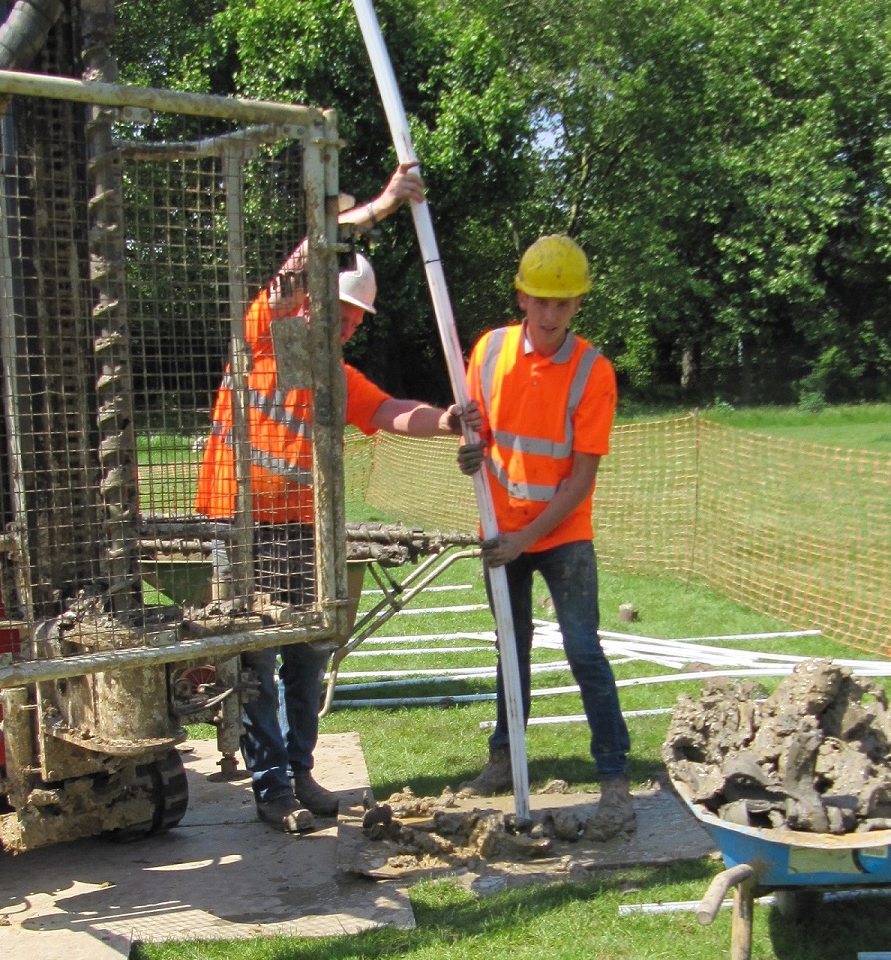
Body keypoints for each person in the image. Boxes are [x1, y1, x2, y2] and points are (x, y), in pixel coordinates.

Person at [196, 163, 467, 833]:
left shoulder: (337, 376)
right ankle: (270, 788)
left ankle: (301, 771)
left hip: (299, 531)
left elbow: (392, 411)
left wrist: (450, 419)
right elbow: (303, 256)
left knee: (307, 655)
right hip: (238, 528)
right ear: (309, 299)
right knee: (255, 658)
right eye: (336, 311)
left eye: (353, 320)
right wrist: (379, 206)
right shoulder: (261, 335)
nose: (344, 326)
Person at [457, 234, 635, 837]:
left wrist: (524, 537)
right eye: (542, 301)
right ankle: (505, 759)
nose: (552, 314)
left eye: (564, 303)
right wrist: (468, 448)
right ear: (522, 298)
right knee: (512, 649)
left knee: (584, 650)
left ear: (578, 306)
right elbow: (475, 430)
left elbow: (580, 479)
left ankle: (614, 780)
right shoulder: (489, 351)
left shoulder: (593, 372)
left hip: (561, 533)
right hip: (501, 532)